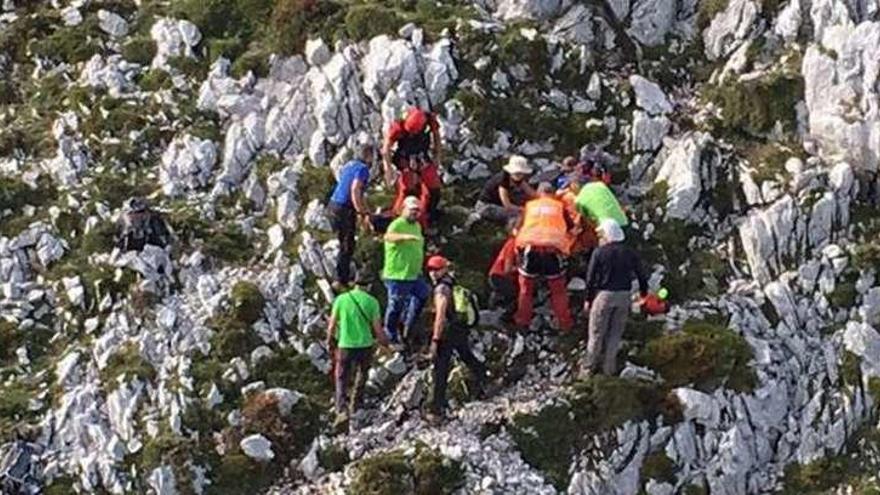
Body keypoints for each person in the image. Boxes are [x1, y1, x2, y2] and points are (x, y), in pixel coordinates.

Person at [582, 219, 649, 376]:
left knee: (597, 333)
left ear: (607, 234)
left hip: (604, 295)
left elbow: (590, 278)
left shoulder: (600, 252)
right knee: (615, 333)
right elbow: (641, 274)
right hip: (624, 296)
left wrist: (588, 299)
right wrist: (643, 294)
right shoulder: (629, 252)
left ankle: (588, 369)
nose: (600, 237)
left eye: (602, 234)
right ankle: (609, 369)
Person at [424, 255, 487, 422]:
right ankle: (484, 377)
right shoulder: (453, 282)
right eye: (430, 269)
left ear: (444, 269)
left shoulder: (441, 289)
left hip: (447, 332)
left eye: (436, 269)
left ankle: (436, 410)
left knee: (440, 369)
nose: (432, 273)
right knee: (466, 354)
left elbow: (440, 315)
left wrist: (435, 340)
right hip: (459, 328)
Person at [325, 272, 389, 426]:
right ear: (368, 286)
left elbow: (332, 324)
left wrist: (329, 341)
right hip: (365, 345)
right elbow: (377, 329)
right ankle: (356, 403)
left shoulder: (341, 300)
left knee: (341, 376)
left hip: (345, 344)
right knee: (362, 373)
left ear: (355, 283)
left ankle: (341, 408)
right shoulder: (372, 302)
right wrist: (384, 343)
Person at [513, 183, 574, 332]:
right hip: (553, 251)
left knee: (525, 289)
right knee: (558, 290)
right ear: (553, 194)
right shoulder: (559, 206)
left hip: (531, 249)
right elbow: (571, 227)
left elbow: (516, 229)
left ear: (538, 193)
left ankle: (522, 321)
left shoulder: (530, 206)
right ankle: (565, 324)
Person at [382, 196, 430, 347]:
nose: (415, 213)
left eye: (417, 210)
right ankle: (390, 332)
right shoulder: (397, 224)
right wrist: (404, 237)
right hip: (397, 274)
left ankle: (409, 323)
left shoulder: (416, 226)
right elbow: (388, 237)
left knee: (423, 294)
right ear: (403, 209)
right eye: (412, 210)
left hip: (413, 274)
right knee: (395, 305)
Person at [382, 107, 444, 225]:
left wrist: (437, 156)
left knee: (434, 189)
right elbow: (386, 148)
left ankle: (427, 215)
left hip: (422, 157)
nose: (412, 134)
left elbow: (436, 136)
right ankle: (399, 217)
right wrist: (388, 168)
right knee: (407, 190)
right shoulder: (398, 127)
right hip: (405, 158)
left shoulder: (429, 119)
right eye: (410, 132)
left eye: (415, 132)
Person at [327, 144, 375, 286]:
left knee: (344, 240)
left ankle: (343, 272)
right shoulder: (363, 169)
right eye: (372, 155)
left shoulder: (349, 165)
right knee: (347, 243)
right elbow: (355, 190)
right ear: (367, 156)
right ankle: (342, 278)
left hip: (333, 205)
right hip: (344, 208)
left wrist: (365, 209)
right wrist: (361, 212)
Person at [469, 155, 536, 226]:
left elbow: (531, 192)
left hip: (499, 204)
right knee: (518, 215)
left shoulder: (518, 179)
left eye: (521, 173)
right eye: (517, 173)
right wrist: (523, 209)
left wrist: (543, 198)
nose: (520, 175)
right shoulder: (503, 180)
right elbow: (507, 205)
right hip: (486, 206)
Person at [488, 220, 519, 322]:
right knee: (517, 296)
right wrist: (522, 269)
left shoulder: (516, 244)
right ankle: (503, 319)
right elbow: (507, 269)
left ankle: (497, 312)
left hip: (498, 276)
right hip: (499, 276)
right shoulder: (512, 243)